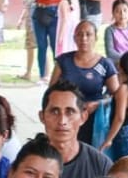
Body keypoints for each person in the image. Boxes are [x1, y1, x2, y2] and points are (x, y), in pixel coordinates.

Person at [39, 82, 115, 178]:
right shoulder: (27, 164)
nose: (62, 121)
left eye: (70, 112)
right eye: (54, 111)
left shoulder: (101, 166)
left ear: (83, 117)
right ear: (42, 117)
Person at [49, 20, 119, 150]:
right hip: (66, 119)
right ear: (74, 37)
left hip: (94, 120)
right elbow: (50, 92)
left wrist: (98, 104)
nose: (84, 38)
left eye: (88, 34)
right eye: (79, 34)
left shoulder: (105, 65)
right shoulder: (63, 61)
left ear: (96, 38)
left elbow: (118, 96)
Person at [26, 0, 67, 82]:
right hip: (39, 10)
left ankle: (58, 76)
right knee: (41, 45)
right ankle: (43, 76)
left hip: (54, 12)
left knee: (55, 46)